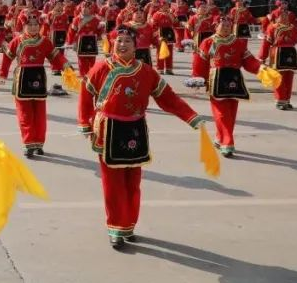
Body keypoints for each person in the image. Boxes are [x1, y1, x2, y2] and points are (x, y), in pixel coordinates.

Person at [78, 26, 205, 248]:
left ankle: (128, 225)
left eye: (127, 41)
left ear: (136, 46)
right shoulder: (101, 67)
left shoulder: (146, 72)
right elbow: (86, 93)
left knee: (133, 182)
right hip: (108, 130)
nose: (122, 44)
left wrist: (191, 117)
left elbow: (168, 98)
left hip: (136, 128)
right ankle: (116, 227)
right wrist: (85, 123)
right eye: (118, 41)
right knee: (112, 183)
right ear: (112, 44)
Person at [191, 14, 262, 157]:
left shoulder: (238, 42)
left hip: (234, 79)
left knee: (231, 111)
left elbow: (249, 61)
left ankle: (221, 137)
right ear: (216, 26)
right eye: (223, 25)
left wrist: (262, 69)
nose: (226, 28)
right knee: (221, 113)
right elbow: (200, 63)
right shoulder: (209, 42)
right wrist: (199, 79)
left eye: (229, 26)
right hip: (217, 79)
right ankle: (227, 141)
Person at [0, 18, 70, 157]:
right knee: (24, 113)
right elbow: (7, 57)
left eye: (35, 25)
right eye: (29, 25)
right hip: (22, 78)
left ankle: (39, 143)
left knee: (40, 114)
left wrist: (66, 65)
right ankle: (29, 143)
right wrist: (2, 74)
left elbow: (56, 56)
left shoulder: (45, 41)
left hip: (38, 77)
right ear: (24, 26)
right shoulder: (17, 41)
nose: (33, 27)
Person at [259, 8, 297, 110]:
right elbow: (266, 44)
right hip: (277, 54)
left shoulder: (292, 28)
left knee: (289, 78)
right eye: (282, 16)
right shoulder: (272, 28)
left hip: (290, 55)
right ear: (277, 18)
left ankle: (286, 100)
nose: (285, 17)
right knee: (278, 78)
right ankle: (280, 100)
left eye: (286, 15)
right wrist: (262, 58)